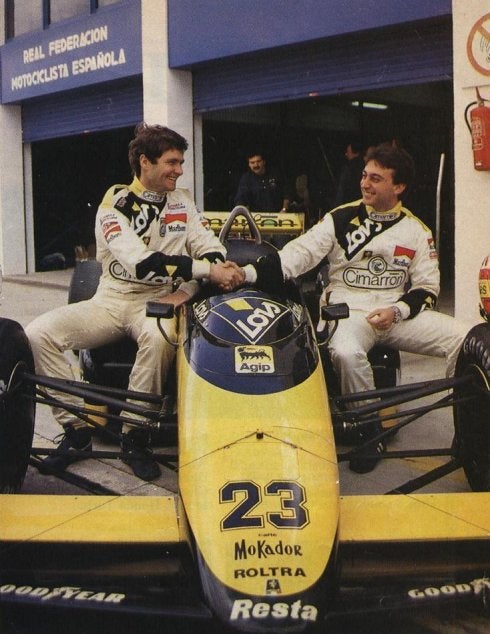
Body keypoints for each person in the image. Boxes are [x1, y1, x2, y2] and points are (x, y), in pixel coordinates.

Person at [228, 144, 470, 473]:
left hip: (394, 313)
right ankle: (369, 432)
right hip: (348, 312)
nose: (365, 184)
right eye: (364, 176)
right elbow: (296, 256)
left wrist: (397, 311)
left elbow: (427, 289)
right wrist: (248, 273)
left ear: (398, 187)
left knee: (463, 336)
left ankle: (468, 431)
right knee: (345, 352)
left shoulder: (416, 230)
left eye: (376, 179)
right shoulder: (340, 218)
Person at [26, 123, 241, 481]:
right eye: (172, 162)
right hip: (111, 300)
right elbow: (141, 261)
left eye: (181, 162)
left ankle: (134, 436)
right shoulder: (115, 204)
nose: (179, 169)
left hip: (159, 301)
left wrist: (217, 267)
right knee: (38, 333)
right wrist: (207, 271)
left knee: (158, 338)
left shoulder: (182, 200)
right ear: (145, 161)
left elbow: (205, 241)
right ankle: (76, 431)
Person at [333, 139, 365, 207]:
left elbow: (341, 191)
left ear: (355, 153)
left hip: (348, 205)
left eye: (348, 152)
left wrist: (336, 207)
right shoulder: (365, 166)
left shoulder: (348, 168)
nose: (346, 154)